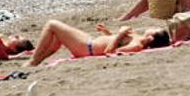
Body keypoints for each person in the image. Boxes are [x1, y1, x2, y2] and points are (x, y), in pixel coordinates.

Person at [27, 19, 170, 66]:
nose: (151, 27)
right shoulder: (138, 39)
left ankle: (33, 60)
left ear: (151, 38)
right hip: (90, 42)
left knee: (52, 24)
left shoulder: (137, 45)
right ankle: (36, 61)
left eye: (154, 29)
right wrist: (108, 33)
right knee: (58, 36)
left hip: (87, 48)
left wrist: (120, 34)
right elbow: (117, 42)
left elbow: (110, 52)